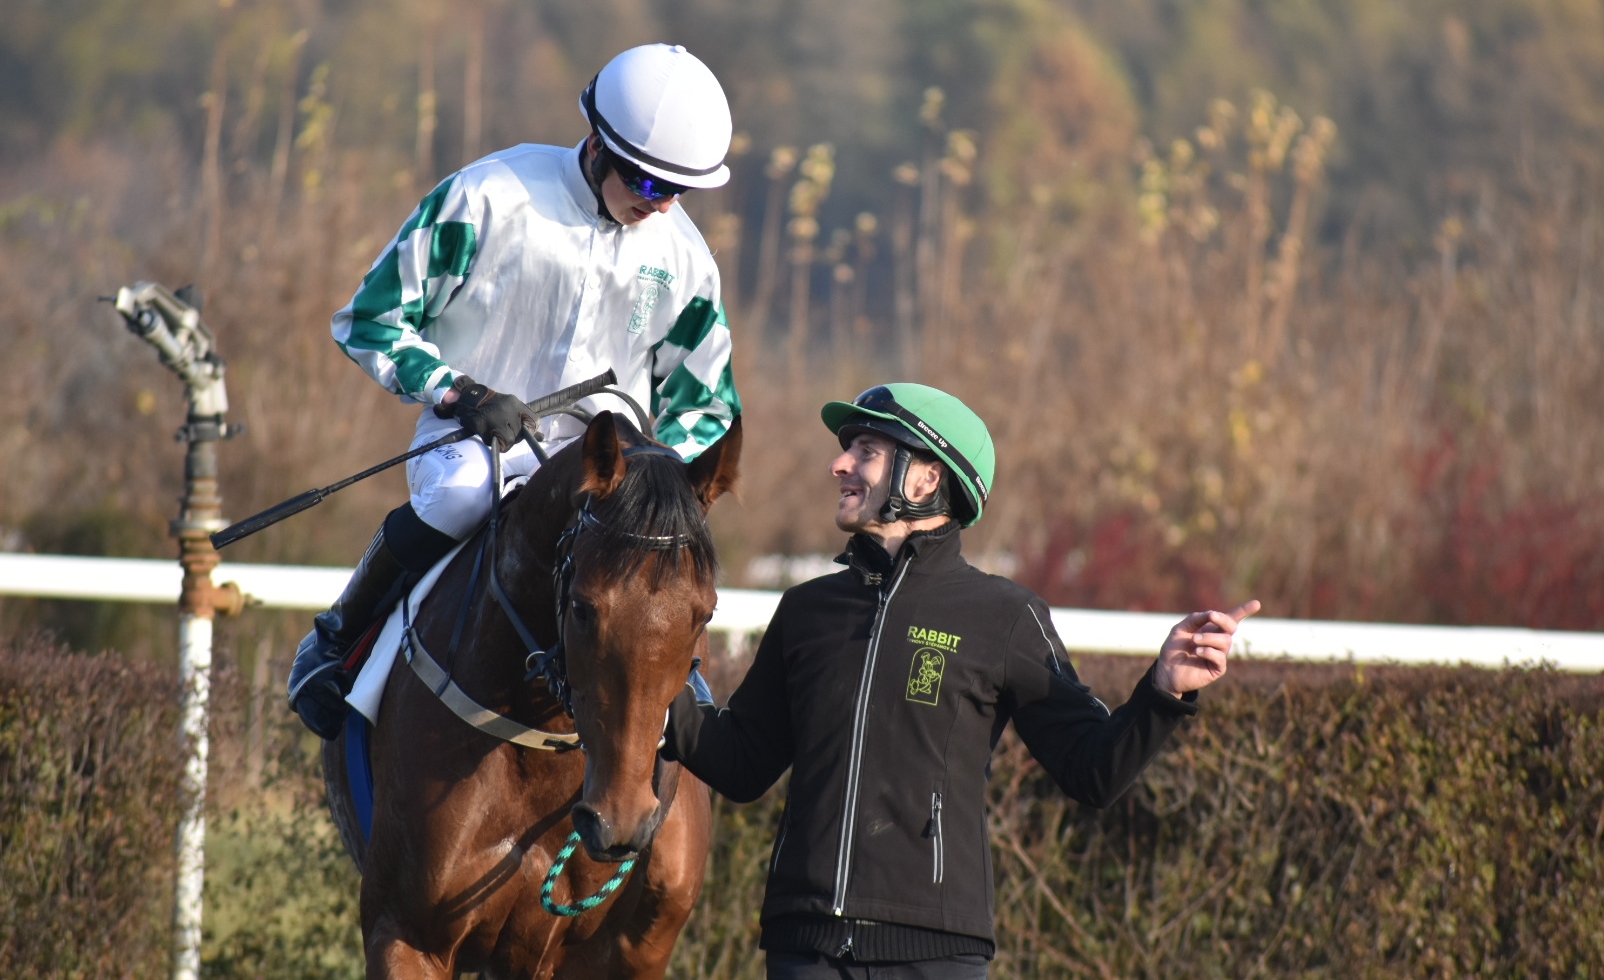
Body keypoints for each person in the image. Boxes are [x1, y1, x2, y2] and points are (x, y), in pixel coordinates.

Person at [663, 383, 1259, 979]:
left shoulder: (1004, 616)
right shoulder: (805, 610)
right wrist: (648, 691)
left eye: (866, 451)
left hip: (937, 952)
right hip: (805, 946)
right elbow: (742, 763)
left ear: (926, 478)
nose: (839, 464)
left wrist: (1163, 692)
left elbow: (1093, 770)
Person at [287, 43, 742, 739]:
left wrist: (656, 474)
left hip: (608, 471)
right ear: (598, 144)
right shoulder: (487, 196)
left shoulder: (686, 260)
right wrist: (458, 392)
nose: (660, 205)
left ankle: (684, 693)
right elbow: (371, 321)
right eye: (647, 182)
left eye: (678, 191)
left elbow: (708, 406)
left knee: (655, 561)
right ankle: (337, 638)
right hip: (477, 441)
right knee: (460, 494)